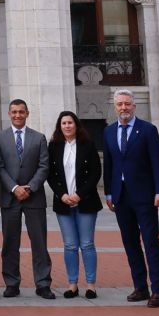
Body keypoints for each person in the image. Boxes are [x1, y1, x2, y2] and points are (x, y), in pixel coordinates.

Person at [102, 88, 159, 307]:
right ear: (115, 106)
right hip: (120, 197)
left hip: (145, 196)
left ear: (134, 106)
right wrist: (109, 193)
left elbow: (157, 163)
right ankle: (140, 286)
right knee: (130, 243)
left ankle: (157, 289)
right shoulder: (109, 131)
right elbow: (109, 164)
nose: (124, 108)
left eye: (127, 104)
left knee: (150, 242)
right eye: (120, 104)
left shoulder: (147, 130)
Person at [0, 97, 54, 299]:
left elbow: (44, 166)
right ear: (9, 114)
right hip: (10, 198)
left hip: (34, 198)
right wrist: (14, 188)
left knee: (39, 243)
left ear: (27, 113)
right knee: (10, 243)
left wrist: (30, 187)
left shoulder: (39, 138)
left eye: (21, 111)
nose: (18, 115)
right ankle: (12, 283)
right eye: (14, 112)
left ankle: (43, 283)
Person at [45, 109, 102, 298]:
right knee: (69, 245)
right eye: (64, 123)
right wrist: (62, 194)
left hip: (85, 202)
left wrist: (79, 194)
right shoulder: (53, 146)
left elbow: (95, 173)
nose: (67, 126)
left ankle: (91, 284)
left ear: (76, 125)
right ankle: (72, 284)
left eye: (70, 123)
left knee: (87, 244)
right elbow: (50, 175)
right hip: (63, 202)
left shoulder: (87, 145)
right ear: (59, 127)